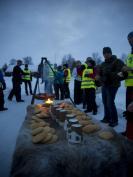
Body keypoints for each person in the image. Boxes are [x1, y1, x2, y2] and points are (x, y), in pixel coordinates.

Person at [99, 47, 124, 127]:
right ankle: (107, 117)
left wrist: (111, 76)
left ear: (111, 53)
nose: (106, 55)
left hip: (113, 85)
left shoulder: (117, 61)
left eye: (107, 53)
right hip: (104, 85)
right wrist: (100, 78)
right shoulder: (102, 64)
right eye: (104, 53)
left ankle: (114, 120)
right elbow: (101, 75)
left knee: (110, 102)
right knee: (105, 102)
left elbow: (122, 73)